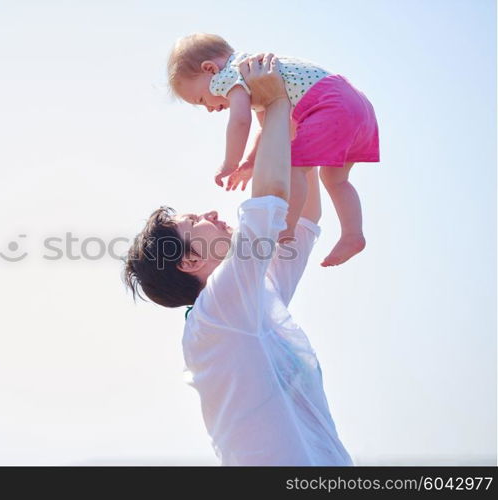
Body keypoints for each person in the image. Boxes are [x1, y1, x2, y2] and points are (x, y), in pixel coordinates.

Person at [123, 54, 353, 465]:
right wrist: (277, 104)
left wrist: (296, 120)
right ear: (188, 262)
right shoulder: (216, 313)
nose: (211, 214)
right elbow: (269, 205)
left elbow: (302, 220)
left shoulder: (254, 298)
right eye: (194, 221)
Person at [167, 33, 380, 267]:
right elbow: (267, 128)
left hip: (329, 106)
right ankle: (353, 234)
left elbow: (240, 121)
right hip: (356, 104)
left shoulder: (228, 75)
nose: (208, 108)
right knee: (335, 179)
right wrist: (249, 162)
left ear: (209, 69)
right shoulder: (255, 74)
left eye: (200, 99)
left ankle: (285, 227)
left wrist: (229, 163)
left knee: (291, 167)